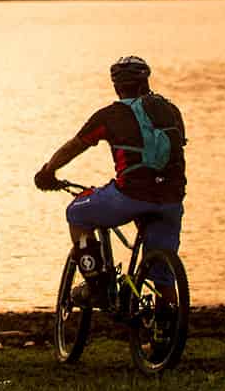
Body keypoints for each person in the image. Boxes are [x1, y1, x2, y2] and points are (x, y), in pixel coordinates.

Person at [32, 54, 186, 308]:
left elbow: (75, 146)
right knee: (163, 273)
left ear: (116, 86)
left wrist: (48, 171)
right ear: (146, 82)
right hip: (171, 198)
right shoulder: (171, 111)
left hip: (129, 197)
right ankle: (166, 335)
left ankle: (97, 286)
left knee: (77, 215)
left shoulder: (109, 116)